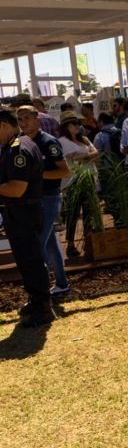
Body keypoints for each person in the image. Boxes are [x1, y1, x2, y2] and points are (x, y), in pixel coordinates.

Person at [0, 108, 53, 327]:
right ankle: (36, 300)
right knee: (27, 258)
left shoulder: (18, 149)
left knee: (30, 259)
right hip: (21, 211)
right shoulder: (19, 144)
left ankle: (42, 306)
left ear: (2, 125)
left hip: (22, 210)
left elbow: (17, 188)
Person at [18, 106, 71, 294]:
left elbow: (65, 171)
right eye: (20, 119)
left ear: (37, 120)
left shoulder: (48, 142)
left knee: (38, 243)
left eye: (27, 118)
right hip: (33, 199)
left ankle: (39, 291)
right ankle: (62, 284)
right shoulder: (20, 142)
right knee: (50, 243)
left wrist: (37, 175)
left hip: (49, 198)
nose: (23, 123)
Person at [56, 110, 99, 265]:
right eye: (74, 124)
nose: (77, 126)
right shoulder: (62, 141)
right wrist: (86, 156)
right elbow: (70, 158)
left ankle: (88, 242)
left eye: (78, 123)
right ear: (66, 126)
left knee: (88, 212)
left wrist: (81, 156)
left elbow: (95, 153)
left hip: (89, 179)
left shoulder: (84, 139)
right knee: (73, 214)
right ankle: (71, 244)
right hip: (73, 182)